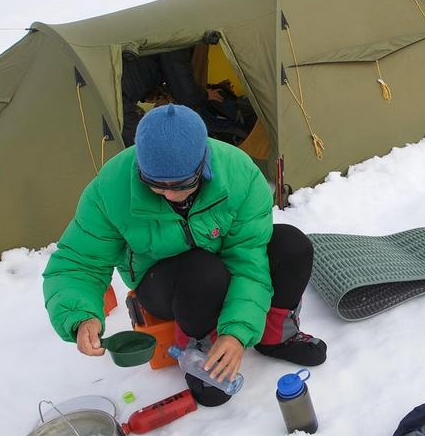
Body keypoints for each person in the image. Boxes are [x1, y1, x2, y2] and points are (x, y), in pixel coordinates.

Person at [43, 104, 325, 407]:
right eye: (155, 185)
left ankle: (275, 335)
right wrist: (80, 315)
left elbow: (248, 262)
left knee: (291, 245)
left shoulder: (239, 176)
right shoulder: (111, 188)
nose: (168, 195)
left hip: (222, 268)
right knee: (203, 270)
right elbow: (78, 262)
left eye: (180, 185)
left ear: (202, 165)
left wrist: (238, 333)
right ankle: (200, 348)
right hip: (164, 284)